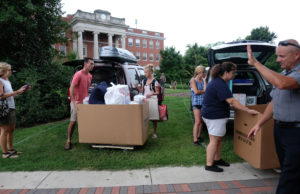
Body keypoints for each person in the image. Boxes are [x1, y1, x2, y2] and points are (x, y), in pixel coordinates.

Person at [247, 39, 300, 194]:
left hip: (296, 134)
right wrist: (259, 123)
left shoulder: (289, 77)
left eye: (282, 56)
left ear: (297, 55)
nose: (277, 60)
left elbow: (282, 83)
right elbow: (275, 101)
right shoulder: (284, 74)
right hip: (280, 131)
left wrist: (256, 63)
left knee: (288, 178)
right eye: (277, 56)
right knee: (289, 172)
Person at [202, 62, 258, 172]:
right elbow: (231, 100)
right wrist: (247, 110)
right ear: (226, 72)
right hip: (215, 116)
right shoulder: (220, 84)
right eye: (233, 72)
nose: (234, 75)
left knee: (218, 139)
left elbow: (222, 101)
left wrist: (234, 108)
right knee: (214, 140)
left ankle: (217, 159)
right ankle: (209, 165)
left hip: (213, 114)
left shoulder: (218, 82)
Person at [64, 57, 94, 150]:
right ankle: (68, 141)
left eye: (93, 64)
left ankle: (87, 138)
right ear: (85, 64)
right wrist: (74, 101)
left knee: (86, 122)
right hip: (76, 102)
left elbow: (86, 89)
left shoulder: (90, 76)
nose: (93, 66)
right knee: (73, 122)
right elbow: (71, 88)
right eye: (91, 64)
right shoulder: (78, 74)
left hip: (84, 102)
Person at [0, 62, 28, 158]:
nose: (11, 71)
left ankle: (10, 149)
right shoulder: (0, 81)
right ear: (2, 71)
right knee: (4, 130)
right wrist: (15, 92)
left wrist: (20, 90)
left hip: (11, 107)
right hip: (4, 108)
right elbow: (1, 96)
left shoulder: (7, 81)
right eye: (9, 70)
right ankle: (5, 153)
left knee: (11, 129)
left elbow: (12, 95)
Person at [135, 64, 160, 138]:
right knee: (145, 116)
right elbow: (141, 90)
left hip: (153, 100)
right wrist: (137, 87)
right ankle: (145, 131)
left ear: (150, 72)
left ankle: (154, 133)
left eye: (146, 72)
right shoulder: (144, 80)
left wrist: (151, 93)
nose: (144, 73)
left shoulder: (155, 81)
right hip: (145, 100)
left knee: (153, 118)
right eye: (144, 72)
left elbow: (157, 92)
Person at [190, 65, 207, 146]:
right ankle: (195, 139)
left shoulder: (203, 80)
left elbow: (206, 90)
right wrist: (203, 91)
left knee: (202, 122)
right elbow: (196, 92)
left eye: (204, 72)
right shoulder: (193, 80)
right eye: (202, 72)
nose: (203, 74)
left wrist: (205, 80)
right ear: (198, 72)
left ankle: (199, 136)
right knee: (197, 121)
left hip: (203, 103)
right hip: (196, 103)